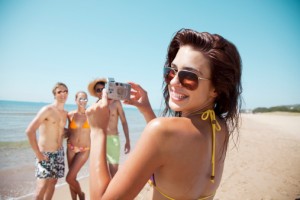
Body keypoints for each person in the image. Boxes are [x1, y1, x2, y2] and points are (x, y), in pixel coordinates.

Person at [86, 28, 242, 199]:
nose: (174, 82)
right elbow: (170, 153)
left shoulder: (162, 131)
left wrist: (97, 131)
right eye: (171, 71)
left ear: (216, 89)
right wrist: (147, 110)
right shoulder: (220, 127)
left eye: (189, 77)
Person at [26, 82, 69, 200]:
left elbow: (60, 131)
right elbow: (30, 131)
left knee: (53, 183)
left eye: (65, 91)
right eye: (59, 92)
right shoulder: (47, 110)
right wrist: (38, 154)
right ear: (54, 94)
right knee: (41, 187)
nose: (63, 94)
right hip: (45, 154)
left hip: (59, 153)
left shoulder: (65, 113)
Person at [88, 78, 131, 177]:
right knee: (101, 172)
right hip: (99, 140)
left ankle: (115, 191)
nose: (101, 92)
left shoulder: (116, 103)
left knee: (114, 172)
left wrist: (128, 140)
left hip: (113, 140)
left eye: (103, 89)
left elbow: (124, 122)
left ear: (107, 89)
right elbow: (92, 127)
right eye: (98, 90)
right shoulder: (95, 106)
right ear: (95, 92)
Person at [66, 91, 90, 200]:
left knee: (69, 178)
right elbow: (69, 131)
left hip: (84, 150)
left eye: (85, 99)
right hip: (71, 147)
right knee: (72, 177)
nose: (83, 101)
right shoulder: (70, 115)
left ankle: (81, 195)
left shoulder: (90, 115)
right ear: (75, 100)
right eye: (80, 99)